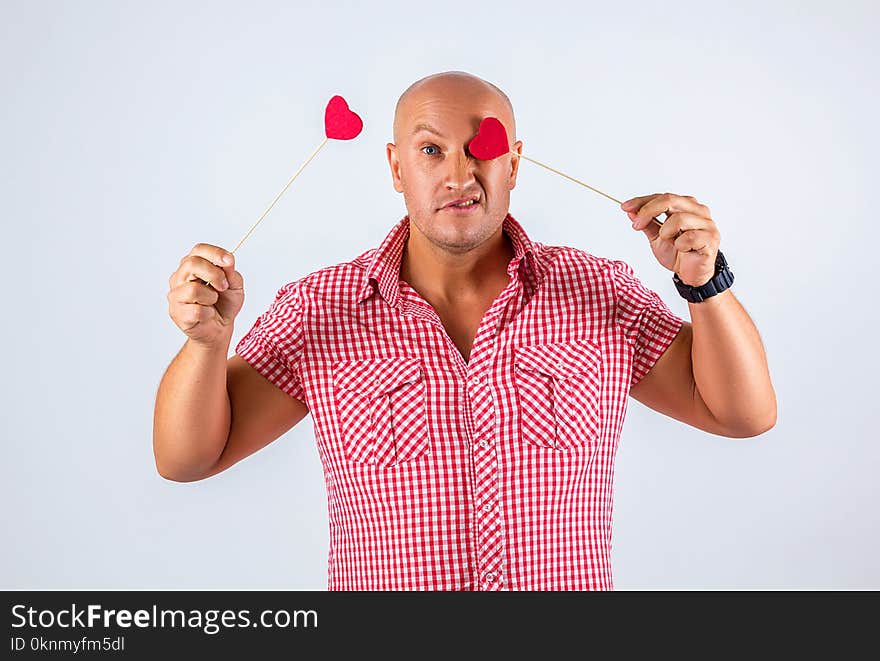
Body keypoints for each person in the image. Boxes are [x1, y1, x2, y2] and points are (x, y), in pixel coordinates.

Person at [153, 71, 776, 590]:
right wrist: (207, 344)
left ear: (515, 162)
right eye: (431, 150)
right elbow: (186, 459)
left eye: (482, 147)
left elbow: (742, 414)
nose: (459, 174)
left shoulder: (596, 293)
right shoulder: (321, 309)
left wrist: (705, 284)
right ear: (396, 168)